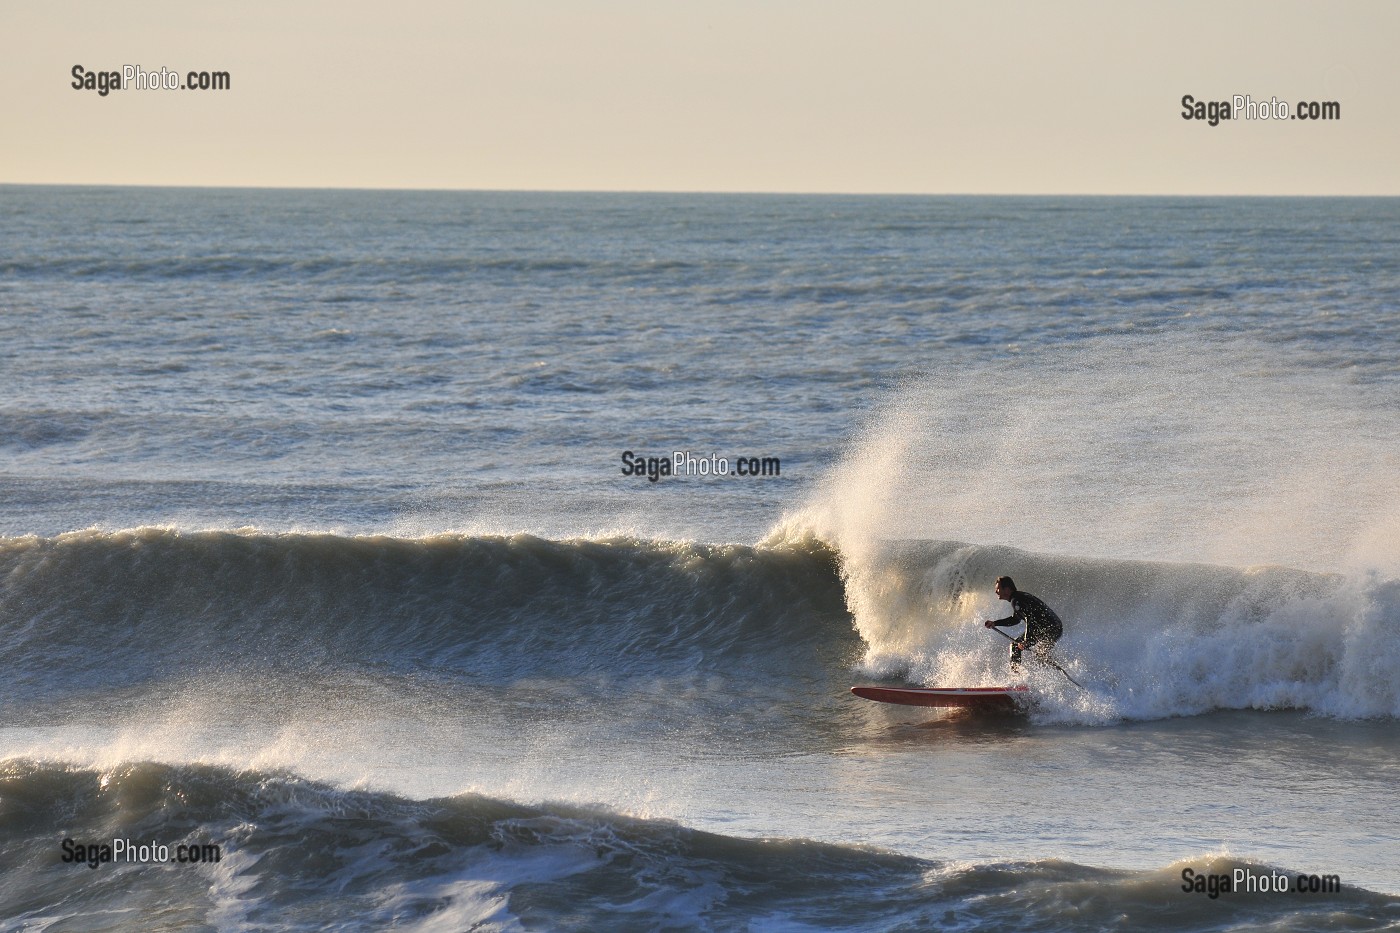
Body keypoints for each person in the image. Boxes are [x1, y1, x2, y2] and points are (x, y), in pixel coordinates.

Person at [983, 576, 1063, 670]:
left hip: (1049, 629)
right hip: (1054, 628)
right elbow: (1015, 619)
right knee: (1040, 655)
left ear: (1007, 589)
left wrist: (1026, 640)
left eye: (998, 588)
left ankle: (1016, 676)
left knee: (1016, 646)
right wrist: (995, 623)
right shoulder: (1018, 598)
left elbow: (1030, 618)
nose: (996, 591)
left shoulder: (1017, 600)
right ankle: (1055, 672)